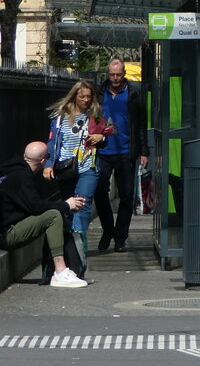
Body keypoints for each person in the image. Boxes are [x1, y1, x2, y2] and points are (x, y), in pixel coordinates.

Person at [0, 141, 89, 288]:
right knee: (53, 215)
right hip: (7, 234)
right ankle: (60, 271)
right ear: (43, 161)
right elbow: (36, 207)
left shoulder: (10, 171)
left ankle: (58, 270)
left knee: (52, 213)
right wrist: (66, 205)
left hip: (6, 228)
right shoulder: (23, 177)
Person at [45, 80, 107, 270]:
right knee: (68, 208)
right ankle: (67, 254)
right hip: (66, 169)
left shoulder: (95, 116)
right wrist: (49, 165)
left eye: (89, 96)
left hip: (88, 166)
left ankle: (79, 259)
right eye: (82, 96)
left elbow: (107, 135)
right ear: (75, 96)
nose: (86, 100)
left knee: (82, 203)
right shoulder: (61, 117)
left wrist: (101, 137)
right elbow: (53, 142)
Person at [95, 57, 148, 252]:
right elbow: (91, 116)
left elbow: (141, 124)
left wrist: (144, 151)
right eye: (112, 75)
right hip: (103, 151)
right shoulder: (99, 92)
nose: (115, 78)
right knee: (99, 192)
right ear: (107, 74)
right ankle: (108, 230)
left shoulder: (134, 94)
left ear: (124, 74)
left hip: (126, 151)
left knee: (126, 196)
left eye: (118, 74)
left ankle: (120, 238)